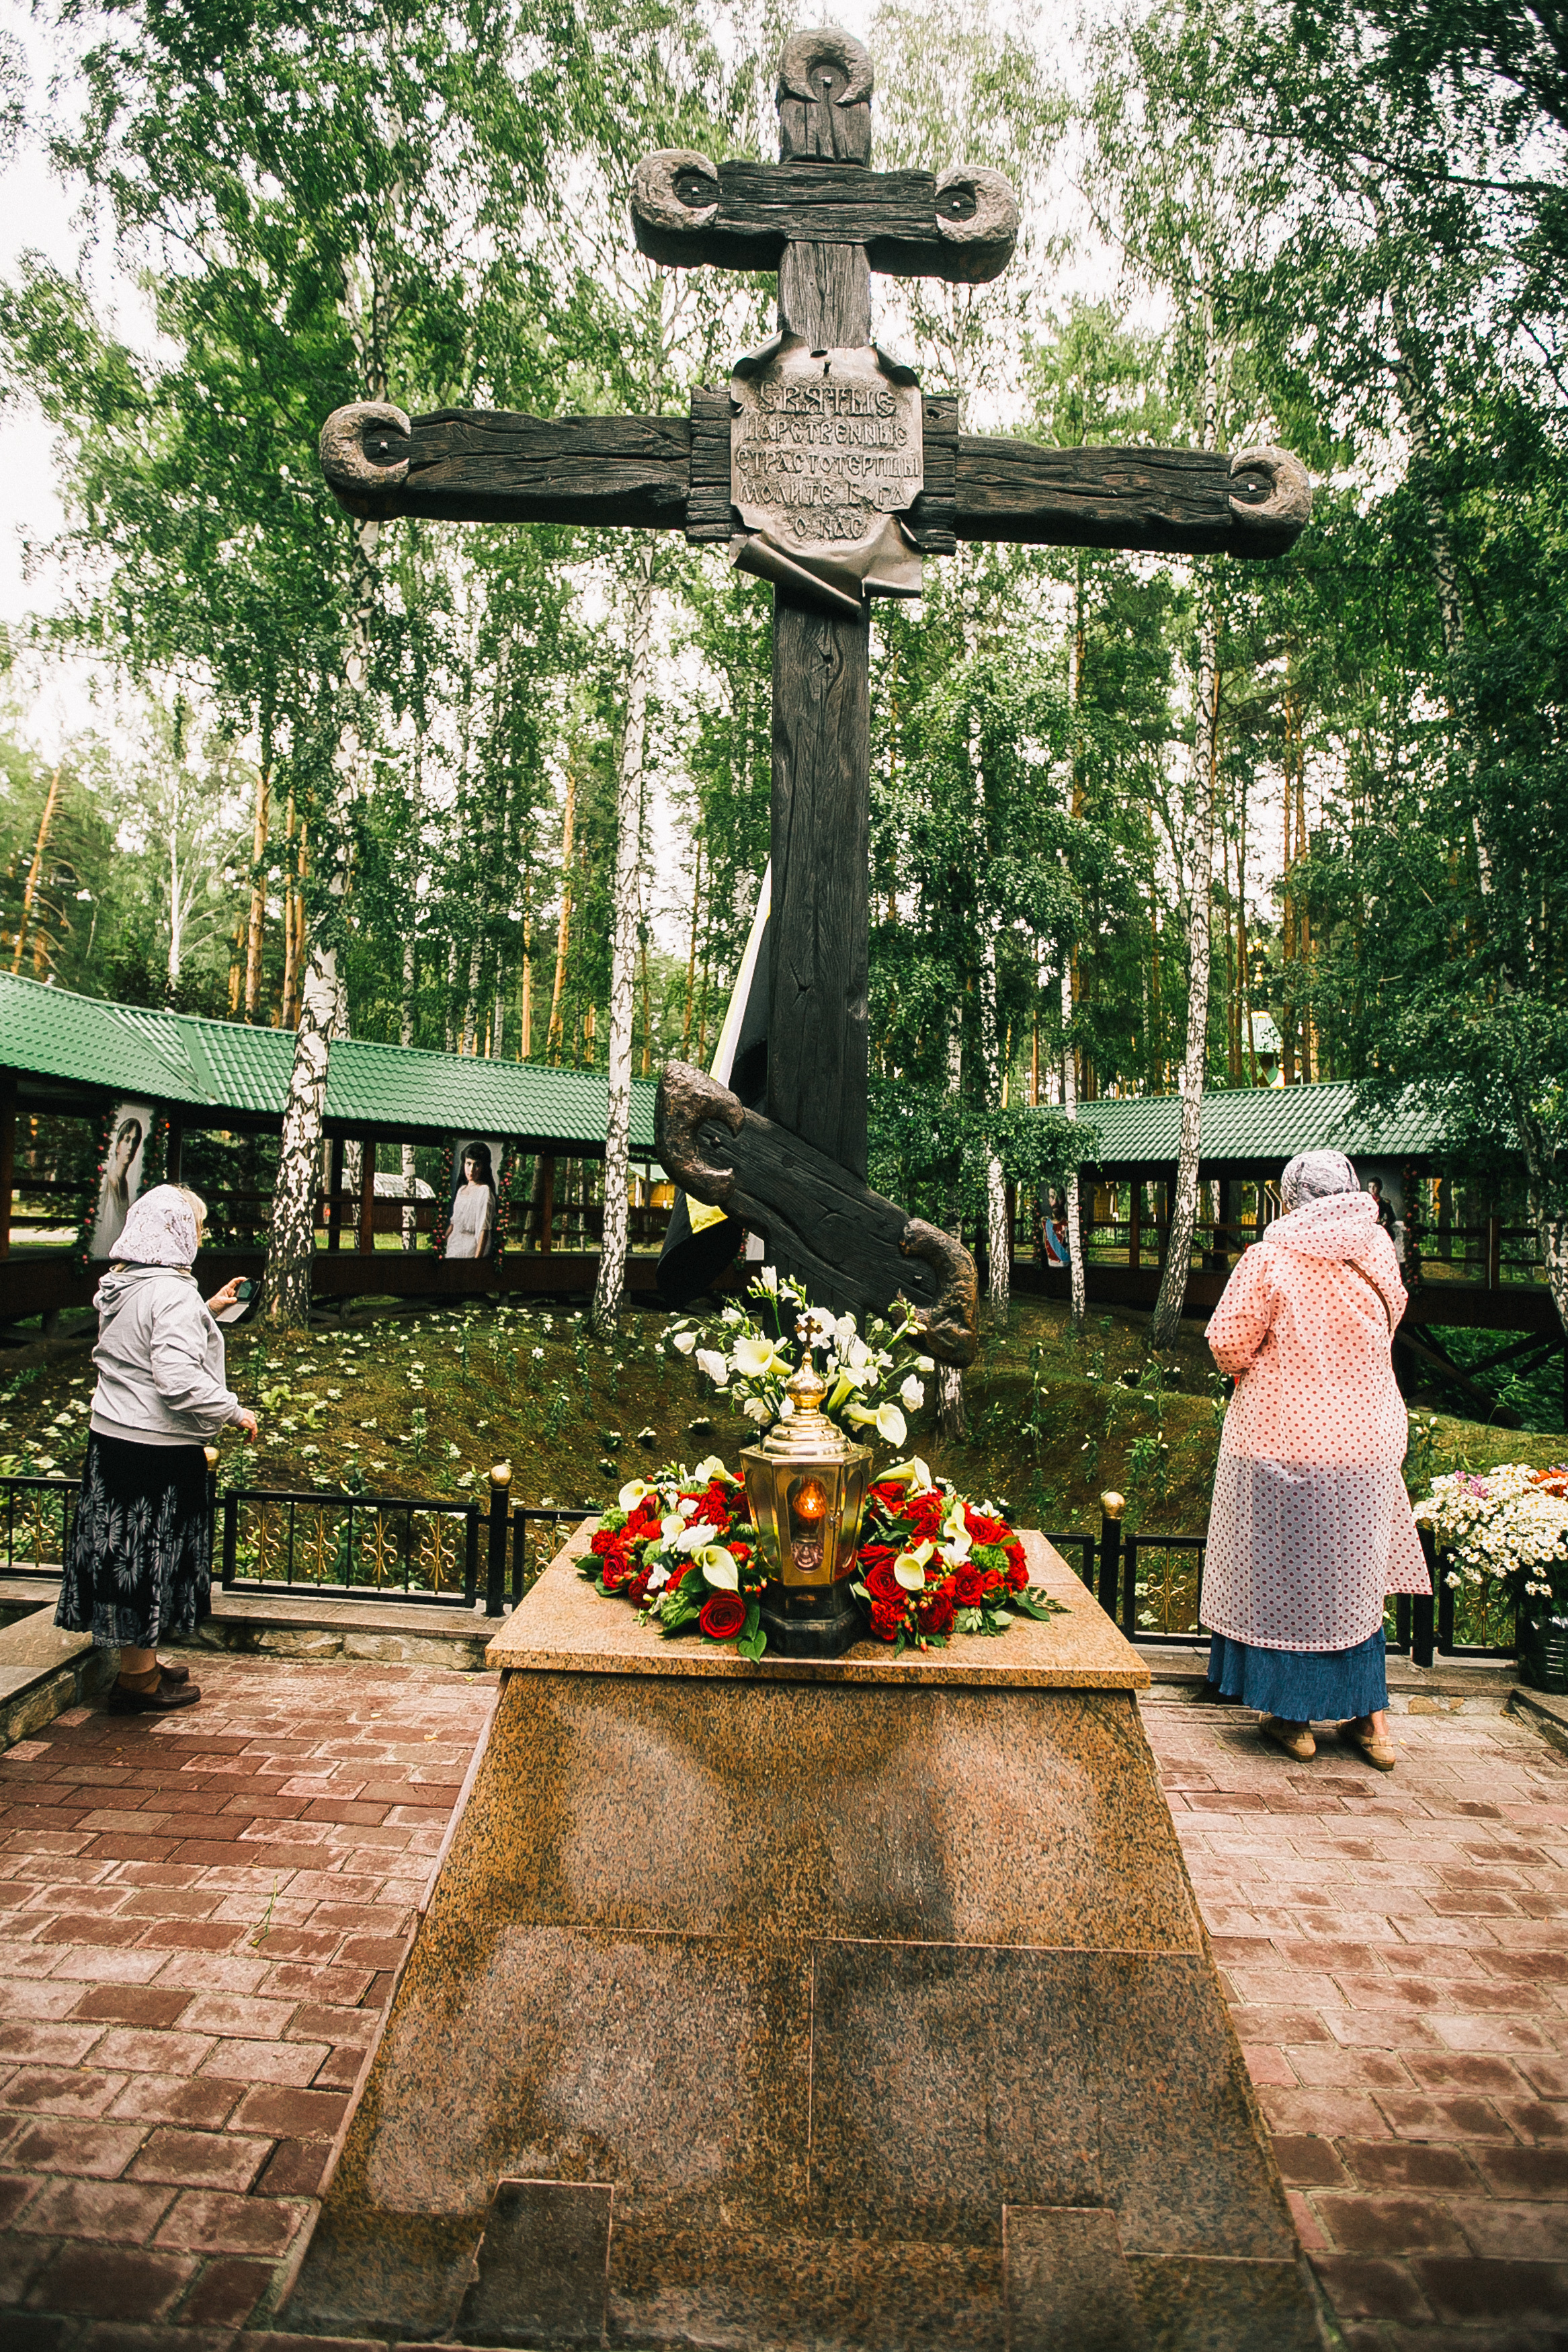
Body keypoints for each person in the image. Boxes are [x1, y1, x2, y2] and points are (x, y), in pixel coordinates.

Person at [1200, 1149, 1430, 1771]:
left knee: (1286, 1578)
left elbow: (1226, 1343)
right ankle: (1371, 1722)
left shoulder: (1269, 1258)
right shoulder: (1376, 1247)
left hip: (1284, 1443)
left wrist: (1263, 1368)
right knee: (1353, 1579)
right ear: (1350, 1189)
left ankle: (1293, 1719)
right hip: (1367, 1440)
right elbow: (1394, 1313)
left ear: (1288, 1197)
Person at [56, 1184, 257, 1714]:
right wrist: (234, 1411)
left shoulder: (124, 1282)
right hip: (154, 1449)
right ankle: (137, 1681)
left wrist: (207, 1309)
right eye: (195, 1225)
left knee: (124, 1555)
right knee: (147, 1558)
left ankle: (140, 1663)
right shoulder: (170, 1291)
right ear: (174, 1230)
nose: (200, 1235)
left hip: (114, 1438)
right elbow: (176, 1378)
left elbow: (140, 1348)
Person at [89, 1112, 145, 1258]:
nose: (131, 1147)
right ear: (118, 1145)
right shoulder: (109, 1179)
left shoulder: (124, 1183)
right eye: (127, 1140)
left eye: (135, 1141)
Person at [445, 1142, 497, 1259]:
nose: (472, 1169)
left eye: (477, 1165)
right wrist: (440, 1244)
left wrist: (476, 1261)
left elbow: (484, 1229)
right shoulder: (461, 1190)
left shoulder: (484, 1191)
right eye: (468, 1164)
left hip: (470, 1250)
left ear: (483, 1167)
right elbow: (453, 1224)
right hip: (453, 1245)